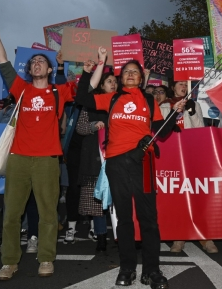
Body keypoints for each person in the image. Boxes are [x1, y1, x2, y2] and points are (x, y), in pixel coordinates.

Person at [76, 49, 185, 289]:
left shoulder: (149, 101)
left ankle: (152, 270)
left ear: (141, 78)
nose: (131, 75)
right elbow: (82, 98)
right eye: (126, 72)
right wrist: (90, 71)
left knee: (148, 218)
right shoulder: (111, 98)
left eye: (135, 72)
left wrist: (176, 114)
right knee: (123, 219)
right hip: (116, 163)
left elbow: (162, 132)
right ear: (121, 77)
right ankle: (127, 268)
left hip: (143, 162)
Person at [0, 14, 76, 281]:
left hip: (48, 160)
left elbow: (89, 86)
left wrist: (97, 64)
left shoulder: (59, 92)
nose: (36, 63)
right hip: (19, 159)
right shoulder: (21, 89)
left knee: (48, 213)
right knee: (12, 213)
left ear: (50, 70)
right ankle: (9, 262)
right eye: (33, 61)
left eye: (41, 61)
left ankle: (46, 258)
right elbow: (2, 60)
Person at [160, 80, 220, 254]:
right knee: (178, 198)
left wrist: (192, 112)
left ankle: (205, 237)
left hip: (191, 156)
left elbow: (200, 131)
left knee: (197, 196)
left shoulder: (194, 105)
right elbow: (160, 129)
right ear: (172, 87)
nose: (183, 87)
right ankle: (179, 237)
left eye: (185, 85)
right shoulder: (164, 105)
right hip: (172, 158)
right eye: (179, 84)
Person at [64, 68, 116, 252]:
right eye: (109, 81)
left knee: (120, 200)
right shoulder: (91, 104)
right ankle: (101, 236)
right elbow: (80, 128)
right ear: (101, 85)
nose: (113, 84)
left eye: (115, 81)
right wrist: (95, 126)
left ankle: (124, 237)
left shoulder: (121, 103)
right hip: (95, 159)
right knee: (97, 201)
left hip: (117, 156)